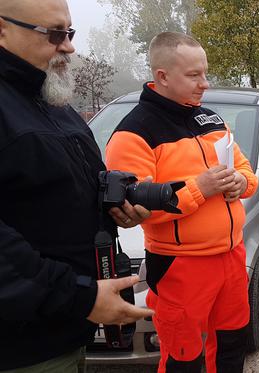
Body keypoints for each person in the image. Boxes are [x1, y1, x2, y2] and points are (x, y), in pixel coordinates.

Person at [0, 0, 153, 371]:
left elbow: (61, 186)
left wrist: (114, 204)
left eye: (70, 32)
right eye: (54, 34)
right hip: (22, 347)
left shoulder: (51, 98)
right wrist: (80, 299)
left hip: (66, 331)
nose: (68, 46)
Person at [105, 32, 258, 373]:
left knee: (233, 346)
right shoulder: (133, 133)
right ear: (162, 76)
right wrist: (200, 188)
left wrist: (240, 182)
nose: (204, 84)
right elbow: (136, 208)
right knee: (183, 357)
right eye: (194, 75)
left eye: (204, 73)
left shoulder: (211, 119)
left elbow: (247, 171)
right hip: (181, 265)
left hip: (231, 256)